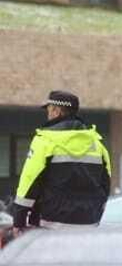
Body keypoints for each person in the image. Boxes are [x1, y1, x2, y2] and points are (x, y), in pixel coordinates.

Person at [6, 91, 112, 232]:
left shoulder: (44, 141)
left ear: (56, 111)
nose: (48, 114)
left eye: (49, 110)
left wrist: (19, 221)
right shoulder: (97, 144)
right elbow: (105, 183)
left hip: (50, 224)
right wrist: (96, 212)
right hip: (88, 223)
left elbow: (29, 181)